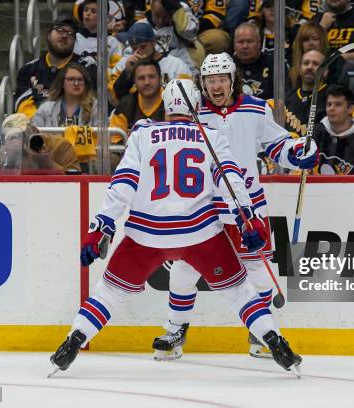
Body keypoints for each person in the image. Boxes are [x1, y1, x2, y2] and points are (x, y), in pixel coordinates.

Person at [49, 79, 302, 377]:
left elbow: (124, 183)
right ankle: (274, 340)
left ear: (166, 106)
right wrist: (248, 217)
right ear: (197, 106)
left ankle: (74, 340)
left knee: (109, 292)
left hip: (147, 233)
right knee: (240, 292)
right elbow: (230, 181)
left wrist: (101, 227)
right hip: (200, 232)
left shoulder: (143, 133)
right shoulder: (211, 135)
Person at [151, 53, 318, 360]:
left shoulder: (256, 108)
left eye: (221, 79)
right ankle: (175, 331)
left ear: (233, 80)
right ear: (202, 83)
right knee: (185, 268)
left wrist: (298, 151)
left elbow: (277, 145)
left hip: (246, 207)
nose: (216, 86)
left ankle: (260, 334)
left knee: (257, 271)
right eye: (210, 81)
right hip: (203, 208)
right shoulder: (193, 113)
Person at [14, 15, 97, 118]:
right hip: (38, 128)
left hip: (75, 127)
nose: (65, 35)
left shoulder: (87, 66)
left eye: (70, 33)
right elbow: (23, 105)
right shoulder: (29, 69)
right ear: (48, 35)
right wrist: (44, 123)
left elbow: (91, 103)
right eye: (60, 30)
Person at [109, 22, 192, 103]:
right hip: (135, 114)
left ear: (153, 42)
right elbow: (113, 99)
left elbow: (188, 96)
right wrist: (127, 73)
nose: (139, 52)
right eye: (134, 48)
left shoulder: (176, 64)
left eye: (143, 46)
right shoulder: (126, 64)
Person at [314, 85, 354, 174]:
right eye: (329, 104)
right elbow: (300, 171)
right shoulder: (315, 132)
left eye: (338, 104)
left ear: (351, 109)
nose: (331, 108)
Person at [0, 113, 81, 174]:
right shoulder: (5, 151)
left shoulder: (60, 144)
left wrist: (48, 164)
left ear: (34, 130)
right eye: (13, 137)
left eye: (24, 135)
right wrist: (8, 160)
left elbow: (76, 179)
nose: (22, 140)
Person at [284, 50, 328, 137]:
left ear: (325, 71)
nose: (310, 67)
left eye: (315, 64)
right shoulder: (286, 99)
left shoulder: (333, 98)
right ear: (299, 70)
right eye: (306, 63)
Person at [74, 0, 124, 72]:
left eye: (93, 11)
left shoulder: (112, 42)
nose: (88, 13)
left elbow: (116, 70)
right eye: (85, 10)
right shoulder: (73, 38)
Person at [233, 22, 274, 99]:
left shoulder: (274, 64)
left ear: (259, 43)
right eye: (241, 42)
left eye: (249, 41)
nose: (245, 46)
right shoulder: (227, 66)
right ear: (234, 44)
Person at [288, 22, 331, 90]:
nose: (311, 43)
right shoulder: (292, 68)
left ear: (322, 42)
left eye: (315, 39)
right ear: (301, 44)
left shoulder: (334, 63)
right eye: (306, 40)